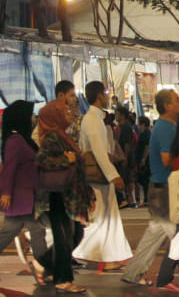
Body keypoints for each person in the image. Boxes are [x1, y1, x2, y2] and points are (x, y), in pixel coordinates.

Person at [122, 89, 179, 287]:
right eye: (177, 100)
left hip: (162, 186)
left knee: (157, 234)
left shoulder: (166, 126)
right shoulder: (166, 127)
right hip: (165, 188)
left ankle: (134, 273)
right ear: (167, 106)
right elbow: (166, 159)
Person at [35, 95, 96, 293]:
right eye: (66, 111)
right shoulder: (52, 136)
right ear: (55, 115)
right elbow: (42, 161)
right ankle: (62, 278)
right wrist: (65, 160)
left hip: (69, 194)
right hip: (57, 195)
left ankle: (45, 262)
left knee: (75, 234)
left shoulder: (62, 134)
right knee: (65, 237)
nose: (70, 114)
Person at [73, 81, 131, 268]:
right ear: (99, 96)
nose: (107, 97)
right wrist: (113, 175)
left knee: (106, 217)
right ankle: (78, 252)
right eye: (105, 94)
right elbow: (98, 152)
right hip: (97, 177)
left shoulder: (95, 119)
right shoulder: (91, 119)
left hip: (100, 176)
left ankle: (108, 258)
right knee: (100, 218)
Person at [0, 100, 49, 286]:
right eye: (30, 114)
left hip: (26, 196)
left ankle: (43, 268)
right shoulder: (16, 141)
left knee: (17, 231)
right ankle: (44, 268)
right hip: (21, 197)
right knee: (34, 231)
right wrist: (5, 192)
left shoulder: (22, 139)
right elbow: (9, 168)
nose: (33, 118)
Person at [136, 116, 152, 207]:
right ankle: (146, 199)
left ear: (143, 124)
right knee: (144, 180)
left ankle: (147, 199)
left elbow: (147, 147)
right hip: (145, 160)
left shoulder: (146, 133)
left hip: (145, 161)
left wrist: (143, 159)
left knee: (145, 179)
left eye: (139, 124)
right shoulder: (146, 133)